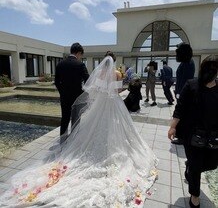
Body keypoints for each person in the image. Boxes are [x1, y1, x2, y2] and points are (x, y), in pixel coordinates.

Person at [0, 56, 158, 207]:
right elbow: (117, 91)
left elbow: (94, 90)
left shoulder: (101, 72)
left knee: (94, 127)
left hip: (101, 104)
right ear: (114, 62)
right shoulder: (117, 74)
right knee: (117, 127)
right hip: (113, 104)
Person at [168, 55, 218, 208]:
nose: (211, 71)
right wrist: (173, 126)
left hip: (214, 135)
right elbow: (180, 107)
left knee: (212, 164)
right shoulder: (192, 85)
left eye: (214, 68)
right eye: (208, 67)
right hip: (193, 134)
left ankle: (190, 167)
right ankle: (194, 195)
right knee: (196, 167)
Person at [55, 42, 89, 144]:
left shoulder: (60, 64)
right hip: (77, 97)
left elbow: (56, 82)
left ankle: (62, 140)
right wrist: (83, 92)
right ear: (78, 53)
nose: (80, 57)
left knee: (65, 118)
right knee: (76, 119)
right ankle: (74, 141)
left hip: (64, 97)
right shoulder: (80, 65)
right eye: (81, 55)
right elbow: (88, 80)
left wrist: (62, 92)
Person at [172, 43, 195, 145]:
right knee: (181, 114)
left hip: (184, 93)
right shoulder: (185, 63)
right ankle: (180, 135)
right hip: (181, 92)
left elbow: (185, 81)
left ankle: (182, 137)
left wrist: (180, 93)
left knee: (182, 115)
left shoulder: (188, 63)